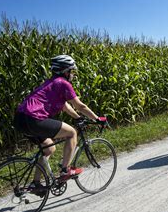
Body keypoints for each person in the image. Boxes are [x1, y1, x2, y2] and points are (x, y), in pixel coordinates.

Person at [14, 54, 107, 187]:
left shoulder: (50, 83)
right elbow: (80, 106)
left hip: (20, 119)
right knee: (72, 133)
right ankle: (65, 171)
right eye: (71, 71)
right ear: (65, 71)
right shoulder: (63, 83)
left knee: (49, 149)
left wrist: (78, 117)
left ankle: (35, 183)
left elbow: (65, 107)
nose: (72, 74)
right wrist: (97, 119)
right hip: (34, 119)